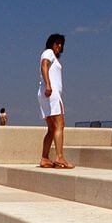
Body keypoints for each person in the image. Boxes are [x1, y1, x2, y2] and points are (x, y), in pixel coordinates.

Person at [37, 33, 73, 168]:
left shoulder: (52, 56)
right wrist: (48, 84)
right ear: (51, 44)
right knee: (59, 125)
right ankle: (59, 157)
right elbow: (44, 65)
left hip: (46, 93)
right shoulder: (48, 52)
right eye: (56, 43)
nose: (59, 46)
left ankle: (45, 158)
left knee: (52, 129)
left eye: (61, 44)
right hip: (51, 93)